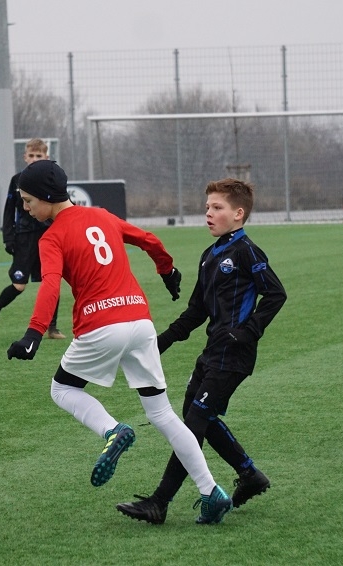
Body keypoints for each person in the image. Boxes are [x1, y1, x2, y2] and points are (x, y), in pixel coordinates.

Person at [5, 159, 233, 525]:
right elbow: (148, 240)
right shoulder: (102, 215)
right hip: (140, 322)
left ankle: (113, 430)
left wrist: (34, 333)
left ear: (46, 197)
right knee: (162, 414)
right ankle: (211, 492)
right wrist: (167, 270)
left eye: (28, 200)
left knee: (62, 389)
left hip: (101, 325)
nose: (25, 207)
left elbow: (49, 284)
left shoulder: (52, 237)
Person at [116, 178, 287, 525]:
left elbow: (275, 293)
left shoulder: (247, 251)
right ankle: (249, 474)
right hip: (212, 352)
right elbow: (197, 311)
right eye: (207, 207)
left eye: (217, 207)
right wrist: (159, 342)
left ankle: (160, 502)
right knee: (196, 416)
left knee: (193, 424)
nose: (208, 213)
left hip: (234, 356)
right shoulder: (210, 256)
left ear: (238, 214)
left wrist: (249, 331)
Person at [0, 138, 65, 339]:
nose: (35, 159)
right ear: (25, 157)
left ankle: (52, 328)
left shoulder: (52, 180)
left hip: (47, 237)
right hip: (24, 239)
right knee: (19, 285)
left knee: (51, 280)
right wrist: (8, 238)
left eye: (39, 156)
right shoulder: (17, 180)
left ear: (46, 157)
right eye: (32, 155)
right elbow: (9, 211)